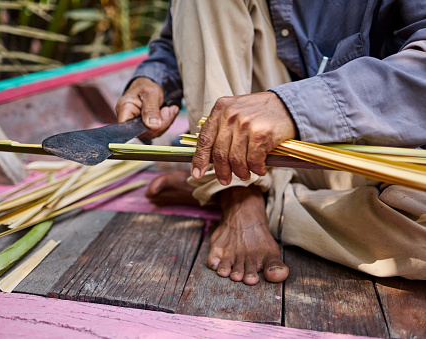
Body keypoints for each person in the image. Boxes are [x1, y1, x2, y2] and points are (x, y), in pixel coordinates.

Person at [116, 0, 426, 284]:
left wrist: (294, 107)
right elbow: (186, 32)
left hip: (375, 142)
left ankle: (263, 197)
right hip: (257, 132)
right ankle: (237, 194)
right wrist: (155, 78)